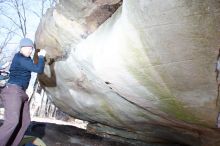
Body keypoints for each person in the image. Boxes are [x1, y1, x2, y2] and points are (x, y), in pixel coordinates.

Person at [0, 38, 46, 146]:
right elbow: (38, 69)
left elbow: (33, 65)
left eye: (31, 48)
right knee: (12, 121)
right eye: (27, 48)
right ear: (21, 48)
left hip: (22, 93)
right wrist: (41, 56)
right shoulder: (20, 58)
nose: (29, 50)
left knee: (25, 122)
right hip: (13, 91)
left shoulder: (26, 59)